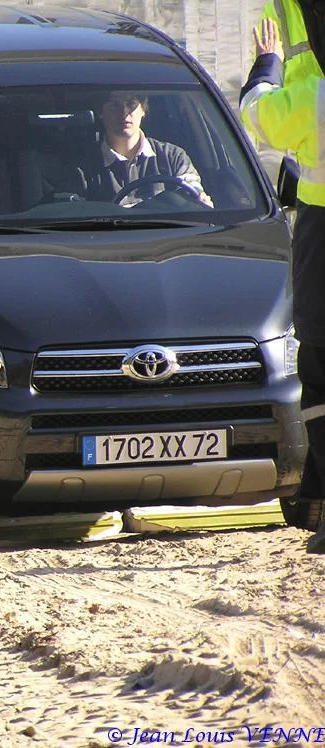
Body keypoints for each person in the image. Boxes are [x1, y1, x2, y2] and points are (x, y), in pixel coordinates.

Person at [241, 15, 325, 553]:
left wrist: (268, 64)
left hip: (321, 230)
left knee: (317, 370)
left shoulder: (314, 94)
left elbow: (259, 116)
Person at [77, 92, 214, 208]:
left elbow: (194, 199)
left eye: (131, 104)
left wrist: (200, 201)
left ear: (143, 110)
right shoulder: (82, 166)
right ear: (101, 113)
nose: (124, 113)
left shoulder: (173, 157)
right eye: (114, 105)